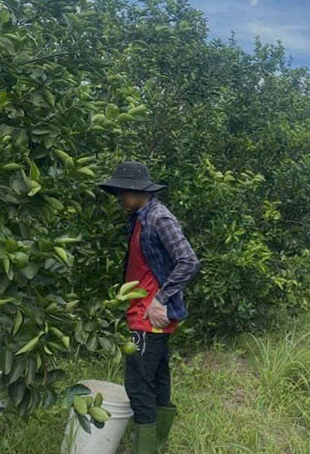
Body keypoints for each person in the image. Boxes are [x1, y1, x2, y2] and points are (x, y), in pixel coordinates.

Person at [99, 161, 200, 454]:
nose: (119, 197)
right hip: (143, 311)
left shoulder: (159, 218)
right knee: (157, 376)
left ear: (137, 191)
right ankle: (157, 443)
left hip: (149, 315)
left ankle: (145, 448)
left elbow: (188, 261)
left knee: (138, 383)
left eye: (122, 191)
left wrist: (160, 298)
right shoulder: (140, 216)